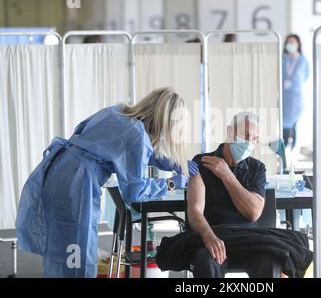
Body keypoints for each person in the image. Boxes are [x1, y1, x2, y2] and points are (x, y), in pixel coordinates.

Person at [15, 87, 199, 278]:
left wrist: (163, 160)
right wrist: (171, 183)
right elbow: (134, 191)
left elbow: (113, 146)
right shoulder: (137, 136)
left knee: (61, 248)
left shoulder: (117, 112)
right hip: (76, 185)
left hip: (58, 172)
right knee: (78, 250)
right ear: (167, 122)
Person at [186, 112, 282, 278]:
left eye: (255, 139)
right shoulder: (201, 162)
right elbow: (194, 211)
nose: (249, 143)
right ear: (230, 132)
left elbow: (253, 213)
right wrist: (209, 237)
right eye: (245, 135)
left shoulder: (257, 168)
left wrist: (227, 175)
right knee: (205, 261)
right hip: (213, 237)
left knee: (271, 261)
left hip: (249, 240)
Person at [282, 34, 310, 150]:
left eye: (292, 42)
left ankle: (293, 150)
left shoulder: (302, 60)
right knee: (284, 125)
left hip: (296, 96)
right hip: (284, 95)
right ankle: (284, 151)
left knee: (294, 124)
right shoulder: (283, 59)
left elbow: (306, 77)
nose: (290, 45)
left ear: (298, 44)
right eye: (288, 43)